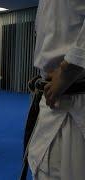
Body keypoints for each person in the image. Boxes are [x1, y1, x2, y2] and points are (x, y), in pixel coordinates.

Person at [25, 0, 85, 179]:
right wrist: (42, 75)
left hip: (73, 101)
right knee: (43, 168)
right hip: (53, 96)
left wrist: (69, 69)